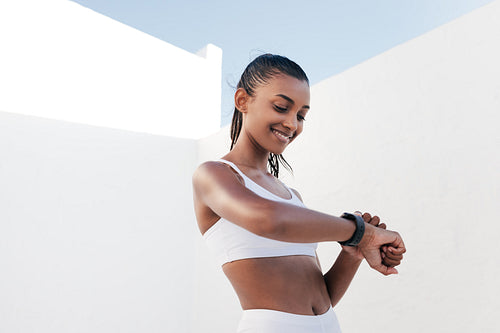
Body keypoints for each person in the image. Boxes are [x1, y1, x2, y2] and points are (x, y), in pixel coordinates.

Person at [192, 54, 406, 333]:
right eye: (281, 107)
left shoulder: (290, 196)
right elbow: (270, 221)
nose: (292, 124)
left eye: (301, 115)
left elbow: (323, 296)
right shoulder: (213, 175)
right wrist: (361, 231)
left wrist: (353, 252)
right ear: (242, 100)